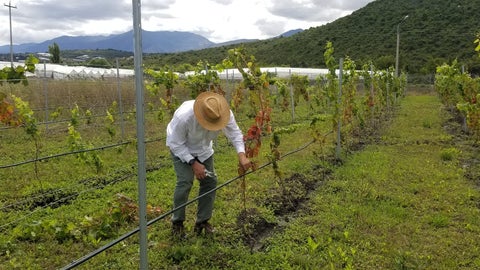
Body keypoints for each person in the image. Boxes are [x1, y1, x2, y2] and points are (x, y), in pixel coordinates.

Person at [166, 91, 251, 237]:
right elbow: (175, 143)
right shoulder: (184, 117)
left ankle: (202, 222)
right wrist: (193, 163)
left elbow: (235, 134)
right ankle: (177, 223)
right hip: (182, 149)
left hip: (204, 150)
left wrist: (242, 155)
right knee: (185, 182)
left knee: (210, 181)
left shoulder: (223, 113)